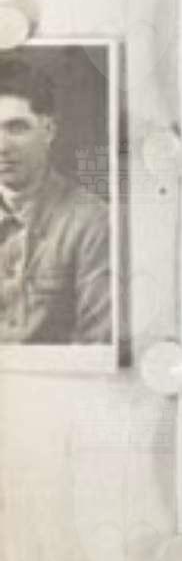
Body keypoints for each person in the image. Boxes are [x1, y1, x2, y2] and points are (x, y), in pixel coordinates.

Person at [0, 56, 111, 346]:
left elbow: (97, 347)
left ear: (48, 130)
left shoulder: (93, 221)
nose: (2, 146)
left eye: (17, 128)